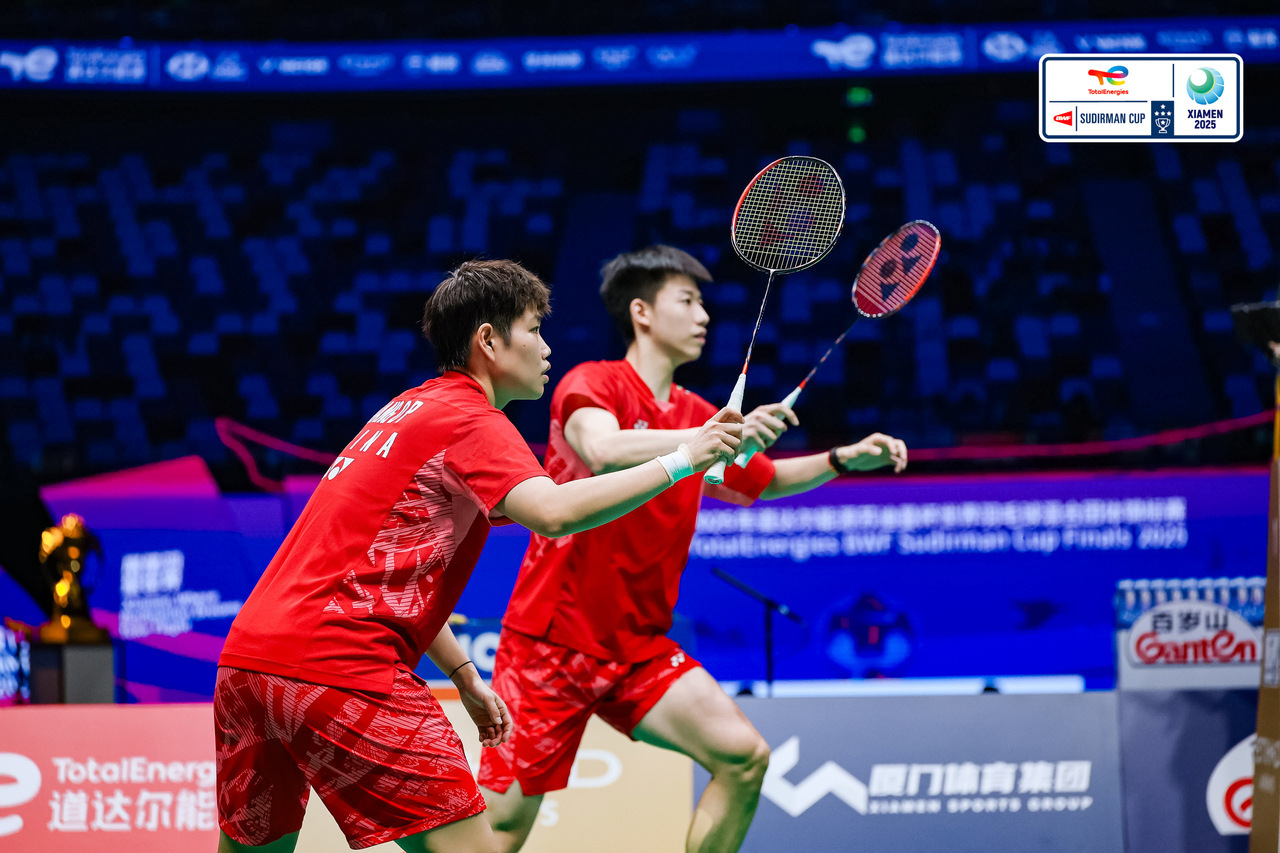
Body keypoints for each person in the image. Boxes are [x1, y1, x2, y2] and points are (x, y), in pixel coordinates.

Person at [213, 259, 745, 853]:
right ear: (489, 341)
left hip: (249, 666)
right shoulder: (470, 419)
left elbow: (373, 574)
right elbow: (554, 512)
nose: (547, 347)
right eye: (535, 329)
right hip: (343, 667)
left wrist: (464, 675)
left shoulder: (403, 411)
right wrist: (684, 459)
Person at [478, 245, 909, 853]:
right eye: (687, 300)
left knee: (744, 758)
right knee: (502, 833)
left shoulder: (696, 414)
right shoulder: (593, 384)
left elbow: (764, 480)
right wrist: (705, 440)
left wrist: (841, 459)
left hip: (638, 649)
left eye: (703, 303)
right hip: (552, 644)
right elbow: (603, 449)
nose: (704, 315)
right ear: (642, 312)